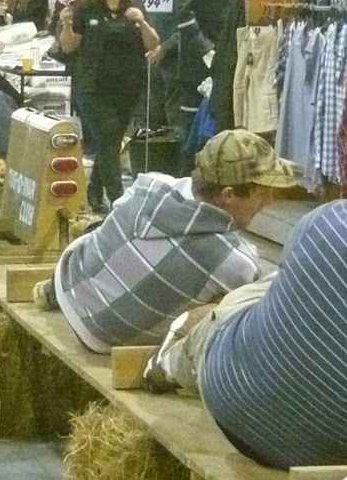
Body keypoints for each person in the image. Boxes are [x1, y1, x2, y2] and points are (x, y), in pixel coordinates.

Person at [36, 129, 301, 354]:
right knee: (226, 310)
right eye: (262, 193)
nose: (269, 202)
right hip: (105, 339)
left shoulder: (149, 184)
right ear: (228, 195)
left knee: (110, 228)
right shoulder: (236, 260)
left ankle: (60, 292)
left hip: (68, 282)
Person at [144, 196, 347, 472]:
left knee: (262, 291)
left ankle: (167, 364)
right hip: (330, 459)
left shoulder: (327, 220)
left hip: (232, 402)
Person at [59, 0, 158, 212]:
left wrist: (142, 22)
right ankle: (118, 201)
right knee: (107, 136)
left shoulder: (135, 7)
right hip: (92, 87)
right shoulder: (86, 7)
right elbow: (68, 46)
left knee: (110, 143)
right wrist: (67, 25)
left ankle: (94, 192)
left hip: (127, 87)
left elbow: (152, 44)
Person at [175, 0, 247, 146]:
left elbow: (185, 17)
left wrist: (207, 51)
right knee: (226, 131)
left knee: (191, 134)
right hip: (232, 60)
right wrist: (222, 52)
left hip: (196, 62)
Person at [144, 0, 186, 131]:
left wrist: (166, 47)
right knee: (151, 118)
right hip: (150, 60)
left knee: (175, 121)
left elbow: (191, 21)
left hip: (177, 61)